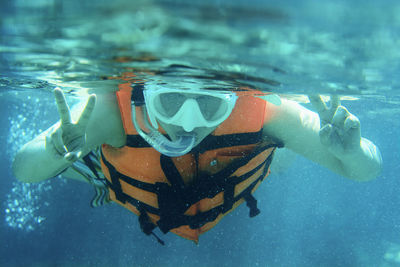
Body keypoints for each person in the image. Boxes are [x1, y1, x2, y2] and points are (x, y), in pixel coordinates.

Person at [12, 82, 382, 244]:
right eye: (170, 100)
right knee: (95, 177)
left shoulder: (271, 112)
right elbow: (24, 169)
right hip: (127, 190)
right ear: (146, 95)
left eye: (209, 104)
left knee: (280, 158)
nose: (189, 123)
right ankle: (94, 176)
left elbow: (365, 170)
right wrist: (53, 146)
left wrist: (352, 151)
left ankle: (281, 154)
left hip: (232, 186)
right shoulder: (108, 112)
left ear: (233, 98)